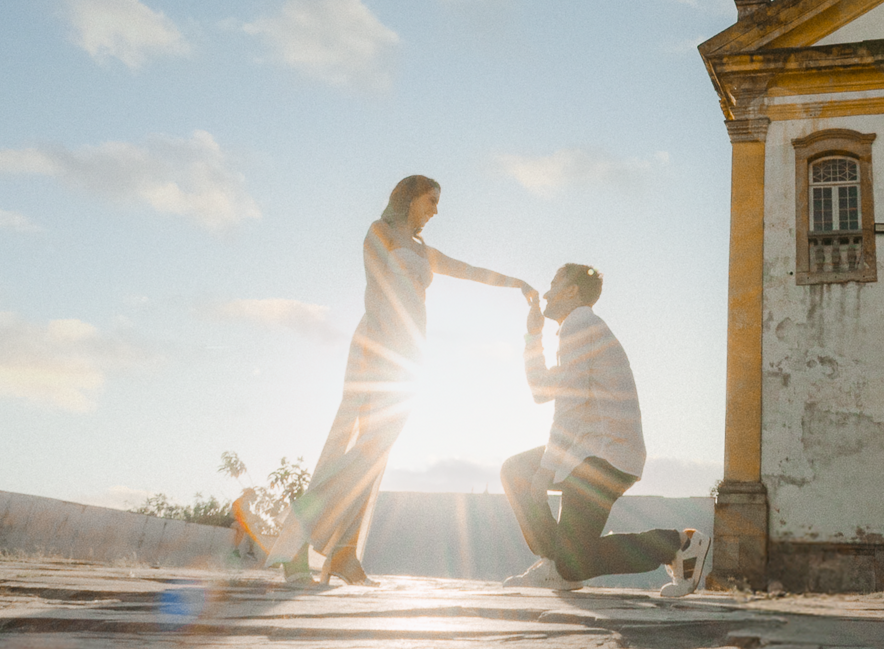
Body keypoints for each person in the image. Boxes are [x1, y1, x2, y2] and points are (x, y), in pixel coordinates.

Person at [270, 174, 533, 586]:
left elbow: (469, 271)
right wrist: (388, 345)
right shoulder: (381, 232)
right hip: (378, 343)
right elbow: (376, 288)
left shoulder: (424, 251)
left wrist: (516, 283)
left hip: (410, 355)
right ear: (409, 198)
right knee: (352, 444)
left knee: (375, 454)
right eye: (430, 200)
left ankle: (343, 553)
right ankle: (298, 540)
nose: (435, 210)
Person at [500, 263, 711, 596]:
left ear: (571, 291)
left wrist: (545, 470)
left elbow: (569, 406)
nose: (546, 292)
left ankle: (678, 544)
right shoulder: (579, 329)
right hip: (589, 452)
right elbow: (542, 390)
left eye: (554, 284)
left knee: (572, 557)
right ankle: (557, 565)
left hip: (605, 456)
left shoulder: (580, 324)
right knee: (516, 472)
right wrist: (532, 337)